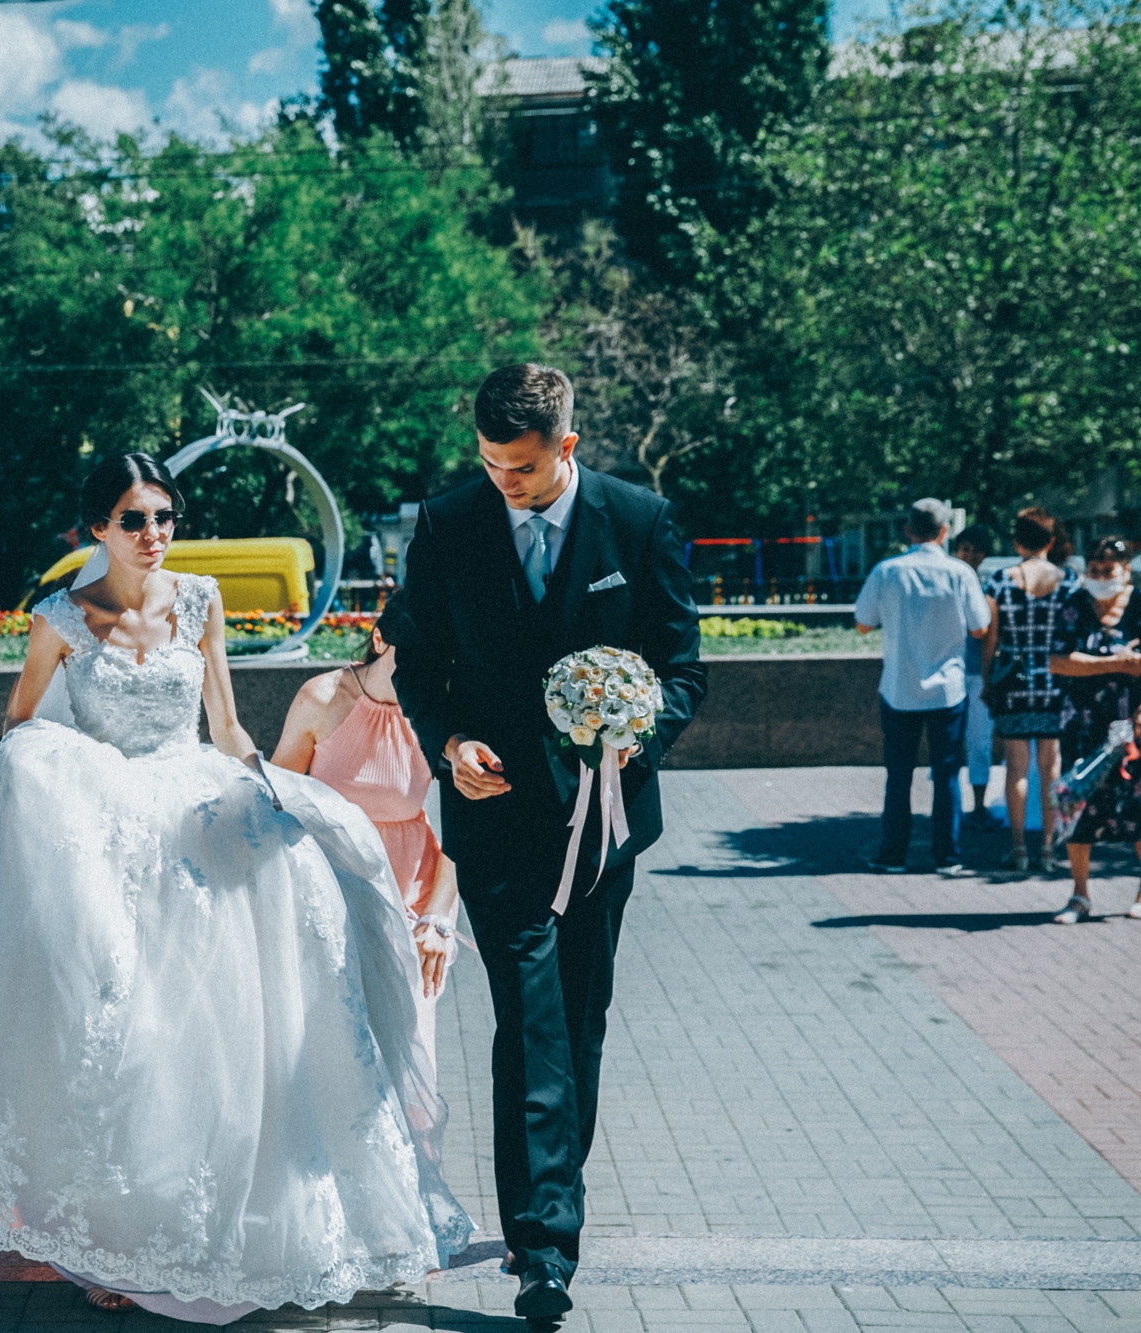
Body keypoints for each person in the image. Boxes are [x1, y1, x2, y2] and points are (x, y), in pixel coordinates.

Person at [0, 451, 470, 1325]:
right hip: (101, 835)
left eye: (165, 517)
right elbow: (20, 726)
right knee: (120, 1031)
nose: (154, 535)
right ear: (97, 528)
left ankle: (236, 1216)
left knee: (229, 1008)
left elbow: (225, 719)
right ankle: (116, 1237)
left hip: (190, 812)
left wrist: (265, 787)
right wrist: (43, 794)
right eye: (135, 519)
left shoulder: (201, 600)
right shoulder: (62, 618)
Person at [395, 364, 706, 1325]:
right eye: (489, 463)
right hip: (494, 823)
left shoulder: (640, 520)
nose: (503, 481)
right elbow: (416, 659)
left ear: (566, 445)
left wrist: (633, 739)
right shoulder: (449, 525)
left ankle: (552, 1209)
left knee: (578, 1018)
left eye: (521, 466)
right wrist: (448, 744)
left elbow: (683, 668)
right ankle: (544, 1248)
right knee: (529, 1019)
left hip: (606, 822)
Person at [272, 587, 460, 1062]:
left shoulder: (444, 711)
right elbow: (276, 802)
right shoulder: (322, 697)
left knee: (408, 1043)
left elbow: (468, 823)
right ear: (379, 641)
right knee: (336, 1045)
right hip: (330, 889)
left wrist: (437, 918)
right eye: (412, 657)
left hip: (413, 896)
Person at [853, 499, 992, 876]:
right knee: (947, 774)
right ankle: (948, 856)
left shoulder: (887, 571)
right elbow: (980, 628)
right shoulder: (960, 572)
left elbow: (863, 623)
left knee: (898, 774)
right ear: (944, 531)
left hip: (899, 688)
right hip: (948, 691)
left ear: (908, 531)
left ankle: (892, 854)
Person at [1046, 537, 1141, 923]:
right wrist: (1118, 664)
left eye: (1109, 571)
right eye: (1094, 571)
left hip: (1133, 726)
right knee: (1078, 806)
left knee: (1137, 809)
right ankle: (1079, 895)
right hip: (1083, 725)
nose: (1101, 578)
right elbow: (1058, 661)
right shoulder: (1073, 606)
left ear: (1126, 570)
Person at [984, 507, 1078, 872]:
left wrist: (989, 680)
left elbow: (990, 639)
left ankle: (1019, 848)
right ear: (1051, 541)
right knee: (1051, 770)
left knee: (1016, 770)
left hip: (1014, 683)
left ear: (1016, 541)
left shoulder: (999, 581)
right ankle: (1049, 850)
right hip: (1055, 684)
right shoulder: (1068, 582)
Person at [952, 525, 1000, 829]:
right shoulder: (949, 580)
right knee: (949, 741)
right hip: (951, 671)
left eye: (976, 550)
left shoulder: (990, 586)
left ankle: (979, 804)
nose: (970, 555)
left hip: (980, 673)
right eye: (965, 548)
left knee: (979, 741)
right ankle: (949, 804)